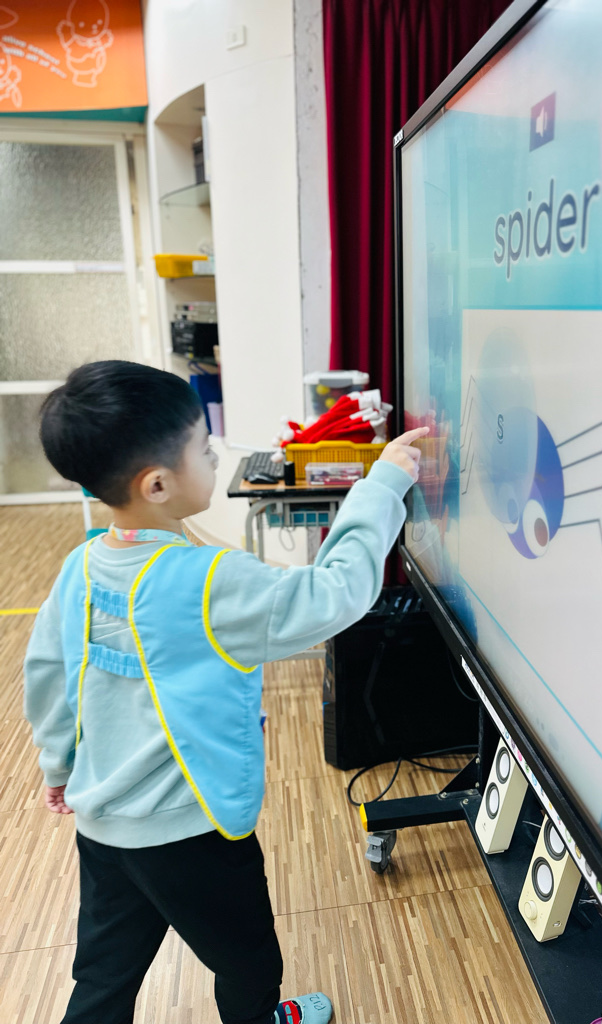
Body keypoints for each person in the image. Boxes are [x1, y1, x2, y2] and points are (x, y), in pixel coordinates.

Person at [24, 360, 427, 1024]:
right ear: (158, 484)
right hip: (189, 831)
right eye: (204, 450)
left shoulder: (81, 566)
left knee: (103, 972)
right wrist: (382, 485)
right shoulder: (209, 580)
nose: (214, 460)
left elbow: (48, 676)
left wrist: (58, 766)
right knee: (247, 963)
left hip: (102, 825)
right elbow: (332, 595)